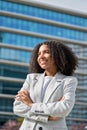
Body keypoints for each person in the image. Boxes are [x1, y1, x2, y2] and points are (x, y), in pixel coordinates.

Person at [13, 40, 78, 130]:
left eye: (46, 52)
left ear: (57, 56)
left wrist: (31, 105)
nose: (41, 57)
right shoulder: (31, 78)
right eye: (39, 54)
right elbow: (18, 107)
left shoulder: (69, 81)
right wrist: (46, 117)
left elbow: (64, 108)